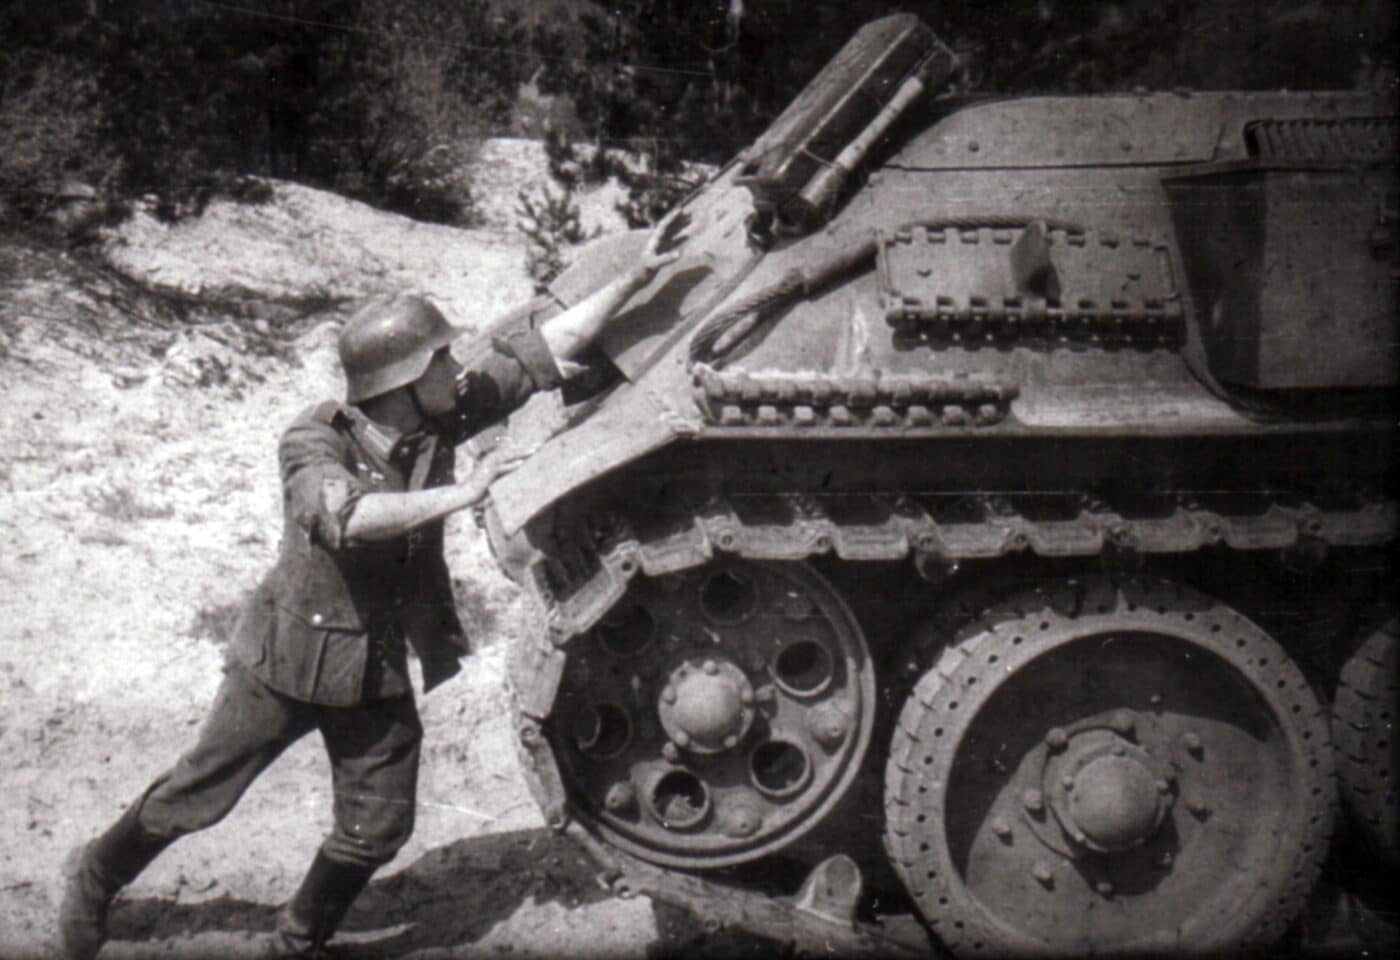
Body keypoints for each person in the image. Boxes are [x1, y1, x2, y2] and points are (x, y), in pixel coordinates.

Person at [59, 213, 687, 960]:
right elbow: (348, 518)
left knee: (379, 825)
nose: (455, 367)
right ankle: (96, 876)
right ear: (398, 380)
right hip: (287, 660)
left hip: (373, 665)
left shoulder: (438, 415)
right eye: (439, 358)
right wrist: (467, 492)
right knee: (196, 798)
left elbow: (540, 352)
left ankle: (298, 939)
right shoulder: (313, 439)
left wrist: (636, 277)